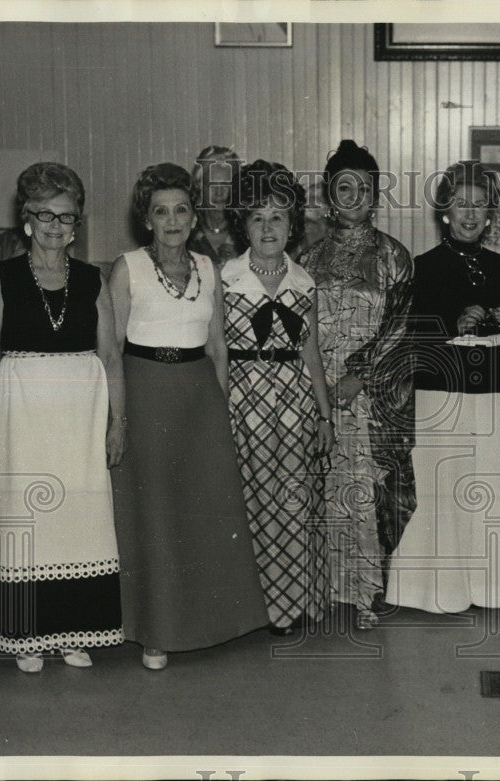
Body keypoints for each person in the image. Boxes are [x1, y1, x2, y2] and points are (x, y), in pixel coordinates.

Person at [109, 163, 269, 669]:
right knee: (156, 513)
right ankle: (157, 633)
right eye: (161, 211)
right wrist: (117, 419)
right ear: (147, 219)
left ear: (193, 216)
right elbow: (111, 349)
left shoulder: (207, 267)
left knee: (204, 511)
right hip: (146, 391)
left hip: (200, 394)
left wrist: (217, 409)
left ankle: (215, 623)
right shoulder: (127, 267)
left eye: (181, 209)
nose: (172, 220)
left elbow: (219, 346)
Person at [0, 162, 124, 673]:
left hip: (80, 420)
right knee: (29, 523)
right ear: (27, 219)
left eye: (67, 217)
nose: (57, 226)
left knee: (77, 524)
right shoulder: (4, 278)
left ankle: (71, 632)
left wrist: (117, 423)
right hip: (23, 419)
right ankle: (26, 636)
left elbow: (110, 359)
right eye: (46, 214)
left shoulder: (91, 280)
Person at [386, 161, 500, 614]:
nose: (470, 213)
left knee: (488, 487)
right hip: (440, 396)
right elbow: (409, 334)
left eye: (480, 205)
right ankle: (436, 592)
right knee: (442, 489)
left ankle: (489, 588)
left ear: (490, 215)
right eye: (461, 203)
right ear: (444, 211)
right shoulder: (422, 267)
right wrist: (452, 323)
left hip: (492, 399)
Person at [298, 139, 416, 630]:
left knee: (367, 491)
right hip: (317, 387)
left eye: (361, 188)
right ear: (329, 195)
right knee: (319, 486)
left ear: (375, 195)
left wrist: (359, 372)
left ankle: (367, 593)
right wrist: (321, 382)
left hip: (372, 394)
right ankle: (320, 590)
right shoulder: (307, 258)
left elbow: (403, 325)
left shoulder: (393, 256)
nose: (351, 197)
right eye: (342, 187)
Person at [222, 161, 335, 635]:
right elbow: (216, 352)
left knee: (294, 502)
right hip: (242, 403)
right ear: (242, 224)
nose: (268, 227)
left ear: (293, 226)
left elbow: (310, 351)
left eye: (278, 217)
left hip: (294, 405)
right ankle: (255, 609)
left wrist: (325, 415)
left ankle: (294, 605)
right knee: (251, 504)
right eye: (257, 217)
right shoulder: (223, 279)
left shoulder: (304, 281)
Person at [188, 145, 243, 265]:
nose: (219, 193)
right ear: (200, 188)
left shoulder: (247, 234)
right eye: (212, 184)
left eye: (226, 184)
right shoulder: (187, 234)